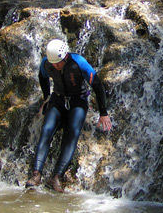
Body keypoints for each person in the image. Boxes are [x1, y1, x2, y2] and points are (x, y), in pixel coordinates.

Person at [26, 39, 112, 192]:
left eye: (58, 63)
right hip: (58, 99)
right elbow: (42, 77)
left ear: (65, 56)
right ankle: (36, 174)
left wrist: (103, 113)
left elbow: (98, 85)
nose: (55, 66)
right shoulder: (47, 62)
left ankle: (56, 177)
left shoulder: (79, 63)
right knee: (46, 131)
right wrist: (46, 99)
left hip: (78, 101)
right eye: (53, 63)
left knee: (72, 134)